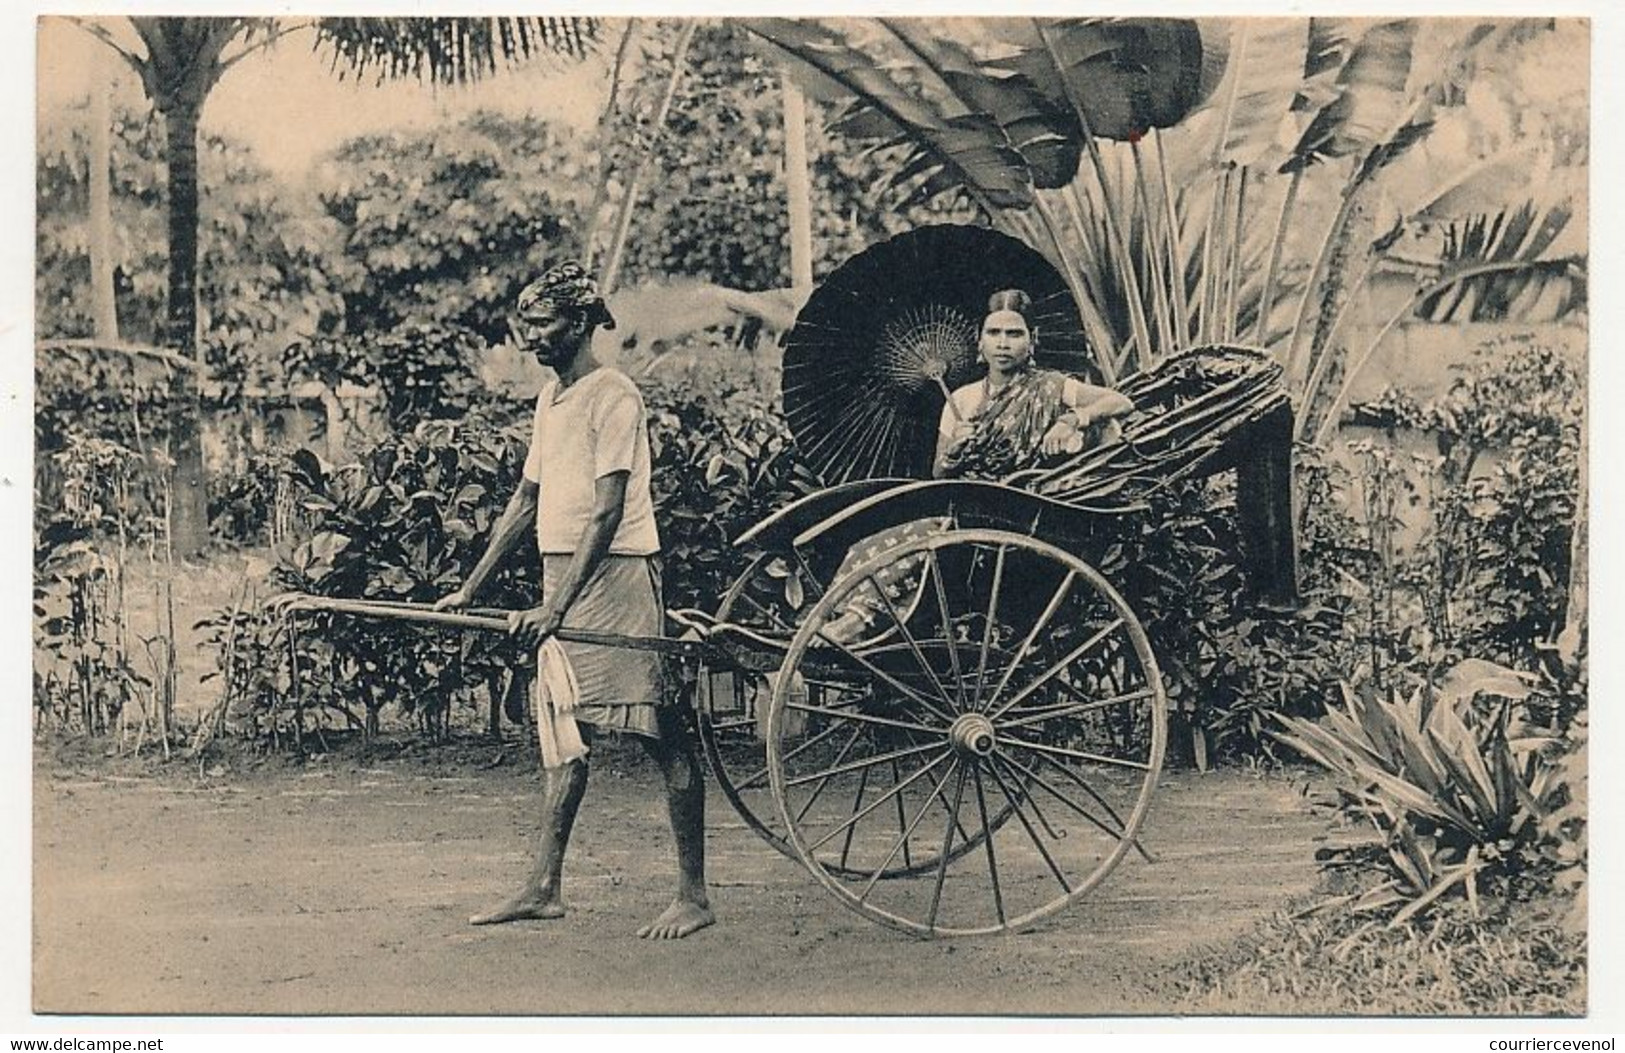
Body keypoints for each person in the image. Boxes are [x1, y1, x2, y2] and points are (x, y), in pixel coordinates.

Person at [435, 261, 714, 940]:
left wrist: (556, 606)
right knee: (563, 732)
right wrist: (468, 588)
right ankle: (543, 885)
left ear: (585, 322)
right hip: (562, 573)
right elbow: (525, 501)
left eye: (545, 322)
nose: (532, 336)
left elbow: (608, 510)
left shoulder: (612, 395)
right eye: (526, 323)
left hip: (615, 574)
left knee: (660, 728)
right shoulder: (550, 400)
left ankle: (694, 894)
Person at [933, 288, 1132, 480]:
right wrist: (953, 451)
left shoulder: (1050, 386)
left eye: (1014, 334)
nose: (1002, 344)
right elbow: (938, 473)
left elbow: (1121, 402)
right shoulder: (961, 399)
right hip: (973, 502)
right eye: (993, 332)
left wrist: (1071, 420)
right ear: (980, 339)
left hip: (1033, 501)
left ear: (1032, 338)